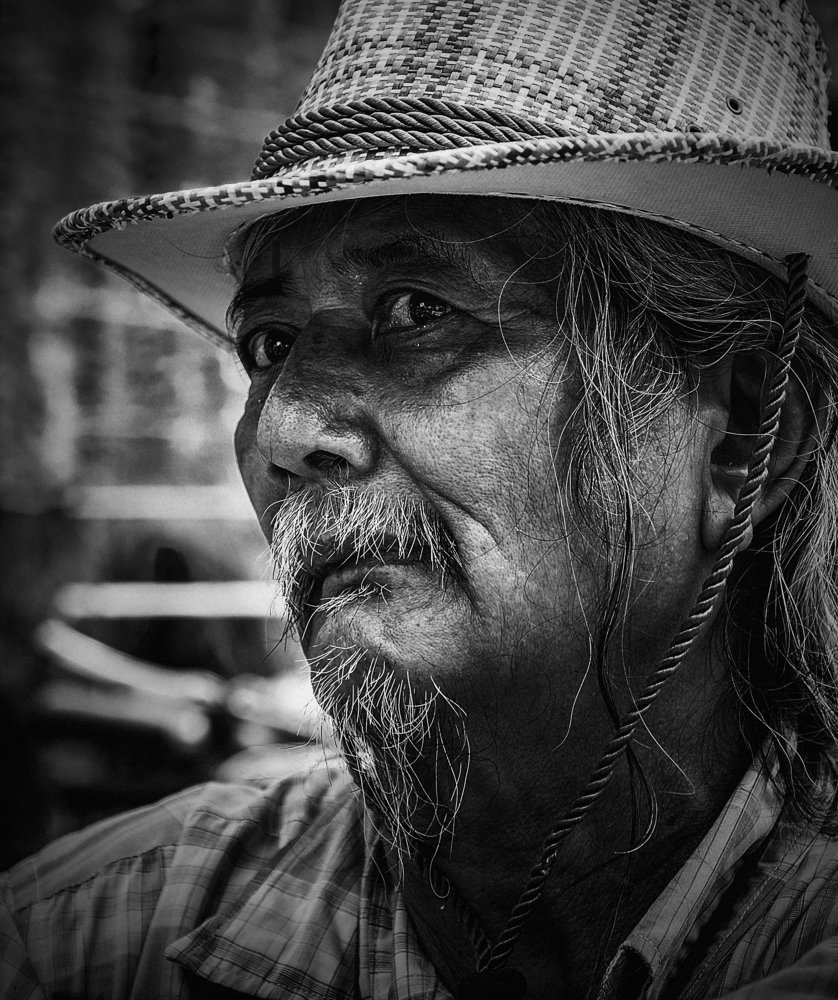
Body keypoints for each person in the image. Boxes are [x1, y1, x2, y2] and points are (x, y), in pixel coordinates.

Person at [4, 0, 838, 997]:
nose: (283, 432)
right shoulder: (82, 941)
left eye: (414, 313)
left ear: (741, 438)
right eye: (269, 344)